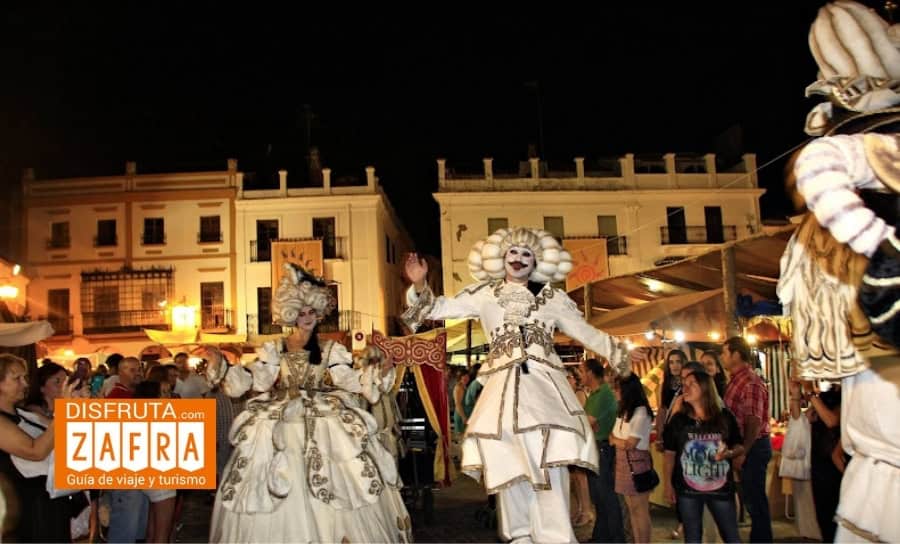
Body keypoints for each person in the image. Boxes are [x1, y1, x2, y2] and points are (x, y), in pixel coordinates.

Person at [403, 227, 627, 543]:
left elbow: (585, 332)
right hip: (502, 391)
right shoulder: (484, 294)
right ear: (502, 258)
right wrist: (419, 283)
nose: (519, 259)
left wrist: (620, 351)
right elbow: (438, 308)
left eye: (526, 254)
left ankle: (556, 536)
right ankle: (519, 535)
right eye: (513, 253)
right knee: (507, 461)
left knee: (550, 459)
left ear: (536, 261)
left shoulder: (552, 297)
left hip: (544, 388)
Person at [207, 263, 410, 543]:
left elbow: (350, 380)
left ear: (320, 312)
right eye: (301, 312)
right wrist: (223, 367)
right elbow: (256, 380)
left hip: (324, 420)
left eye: (311, 311)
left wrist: (379, 372)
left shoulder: (330, 349)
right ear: (290, 313)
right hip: (281, 421)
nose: (306, 317)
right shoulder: (276, 348)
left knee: (343, 483)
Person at [0, 354, 77, 542]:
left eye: (24, 378)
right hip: (28, 507)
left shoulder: (24, 414)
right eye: (17, 378)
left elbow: (61, 433)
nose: (25, 384)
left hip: (50, 501)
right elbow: (35, 451)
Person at [664, 370, 744, 543]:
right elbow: (669, 454)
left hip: (720, 488)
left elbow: (739, 445)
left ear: (706, 387)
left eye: (691, 383)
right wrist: (668, 484)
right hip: (688, 489)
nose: (685, 387)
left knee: (731, 536)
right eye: (684, 384)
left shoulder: (724, 417)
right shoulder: (679, 420)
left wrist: (728, 453)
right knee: (692, 538)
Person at [722, 337, 773, 543]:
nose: (722, 357)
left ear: (736, 354)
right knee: (751, 499)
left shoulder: (750, 381)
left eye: (725, 353)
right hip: (745, 446)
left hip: (753, 447)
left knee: (755, 501)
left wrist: (743, 450)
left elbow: (753, 421)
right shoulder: (736, 379)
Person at [581, 357, 624, 543]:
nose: (579, 375)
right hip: (595, 447)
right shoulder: (594, 394)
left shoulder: (604, 393)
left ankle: (615, 537)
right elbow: (586, 422)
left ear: (590, 373)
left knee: (606, 496)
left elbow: (586, 422)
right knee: (598, 496)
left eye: (582, 371)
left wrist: (586, 423)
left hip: (602, 449)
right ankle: (601, 536)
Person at [609, 372, 655, 544]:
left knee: (640, 510)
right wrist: (617, 441)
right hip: (624, 464)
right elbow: (614, 438)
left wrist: (615, 440)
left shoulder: (641, 412)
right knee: (632, 509)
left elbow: (630, 443)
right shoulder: (625, 411)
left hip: (636, 464)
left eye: (617, 388)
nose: (615, 391)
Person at [566, 366, 593, 528]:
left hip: (580, 440)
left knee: (581, 478)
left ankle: (586, 511)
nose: (567, 380)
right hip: (572, 440)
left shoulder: (579, 394)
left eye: (569, 377)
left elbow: (578, 418)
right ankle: (581, 509)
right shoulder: (569, 395)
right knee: (575, 478)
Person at [655, 349, 686, 451]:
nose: (674, 365)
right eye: (671, 362)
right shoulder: (665, 385)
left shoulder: (689, 384)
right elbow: (662, 410)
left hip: (685, 429)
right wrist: (659, 436)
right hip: (670, 428)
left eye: (678, 362)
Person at [452, 369, 470, 433]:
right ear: (460, 377)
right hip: (461, 416)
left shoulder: (464, 386)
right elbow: (457, 404)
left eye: (467, 376)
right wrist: (463, 417)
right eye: (464, 376)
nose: (466, 378)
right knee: (461, 439)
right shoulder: (458, 387)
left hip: (465, 415)